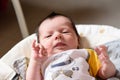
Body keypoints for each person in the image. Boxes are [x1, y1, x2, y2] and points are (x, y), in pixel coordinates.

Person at [26, 12, 116, 80]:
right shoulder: (42, 61)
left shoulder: (86, 53)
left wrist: (106, 62)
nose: (58, 36)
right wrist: (35, 60)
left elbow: (107, 74)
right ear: (40, 45)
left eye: (65, 32)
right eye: (49, 36)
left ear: (78, 40)